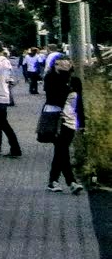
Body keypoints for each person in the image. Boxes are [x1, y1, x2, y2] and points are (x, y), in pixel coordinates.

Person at [42, 53, 85, 193]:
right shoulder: (50, 78)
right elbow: (54, 97)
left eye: (67, 61)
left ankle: (54, 181)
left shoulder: (75, 81)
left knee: (62, 150)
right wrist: (59, 74)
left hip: (71, 118)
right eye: (60, 62)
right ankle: (71, 181)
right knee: (62, 148)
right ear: (55, 65)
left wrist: (82, 122)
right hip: (56, 118)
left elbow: (79, 102)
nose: (65, 64)